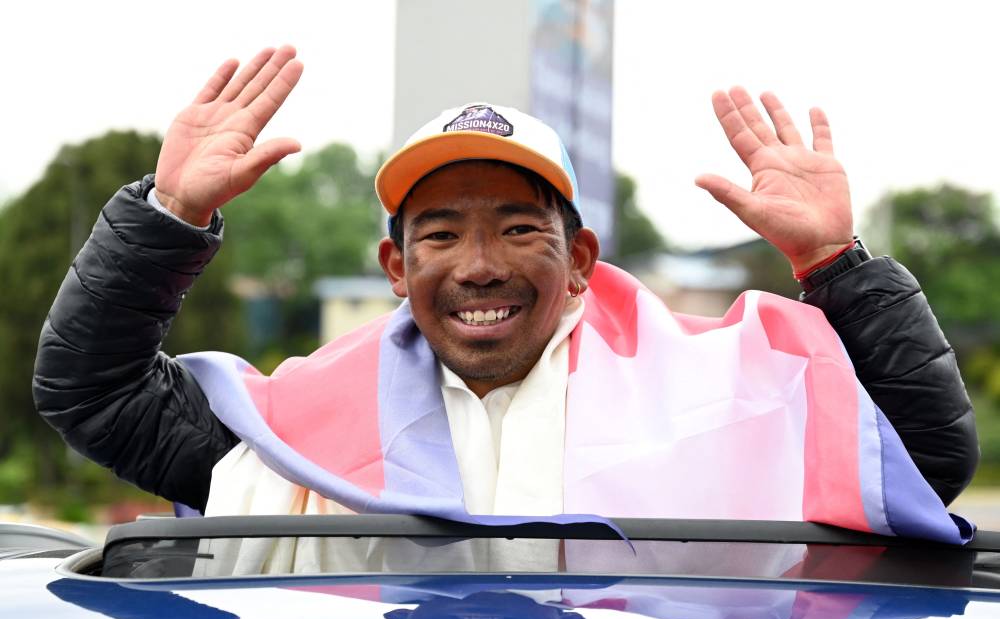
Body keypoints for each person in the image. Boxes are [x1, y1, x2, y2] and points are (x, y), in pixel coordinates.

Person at [33, 46, 977, 527]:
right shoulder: (300, 428)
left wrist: (837, 265)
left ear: (580, 262)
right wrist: (166, 212)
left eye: (520, 228)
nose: (479, 264)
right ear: (397, 271)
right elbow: (93, 390)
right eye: (439, 234)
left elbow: (922, 461)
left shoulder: (719, 394)